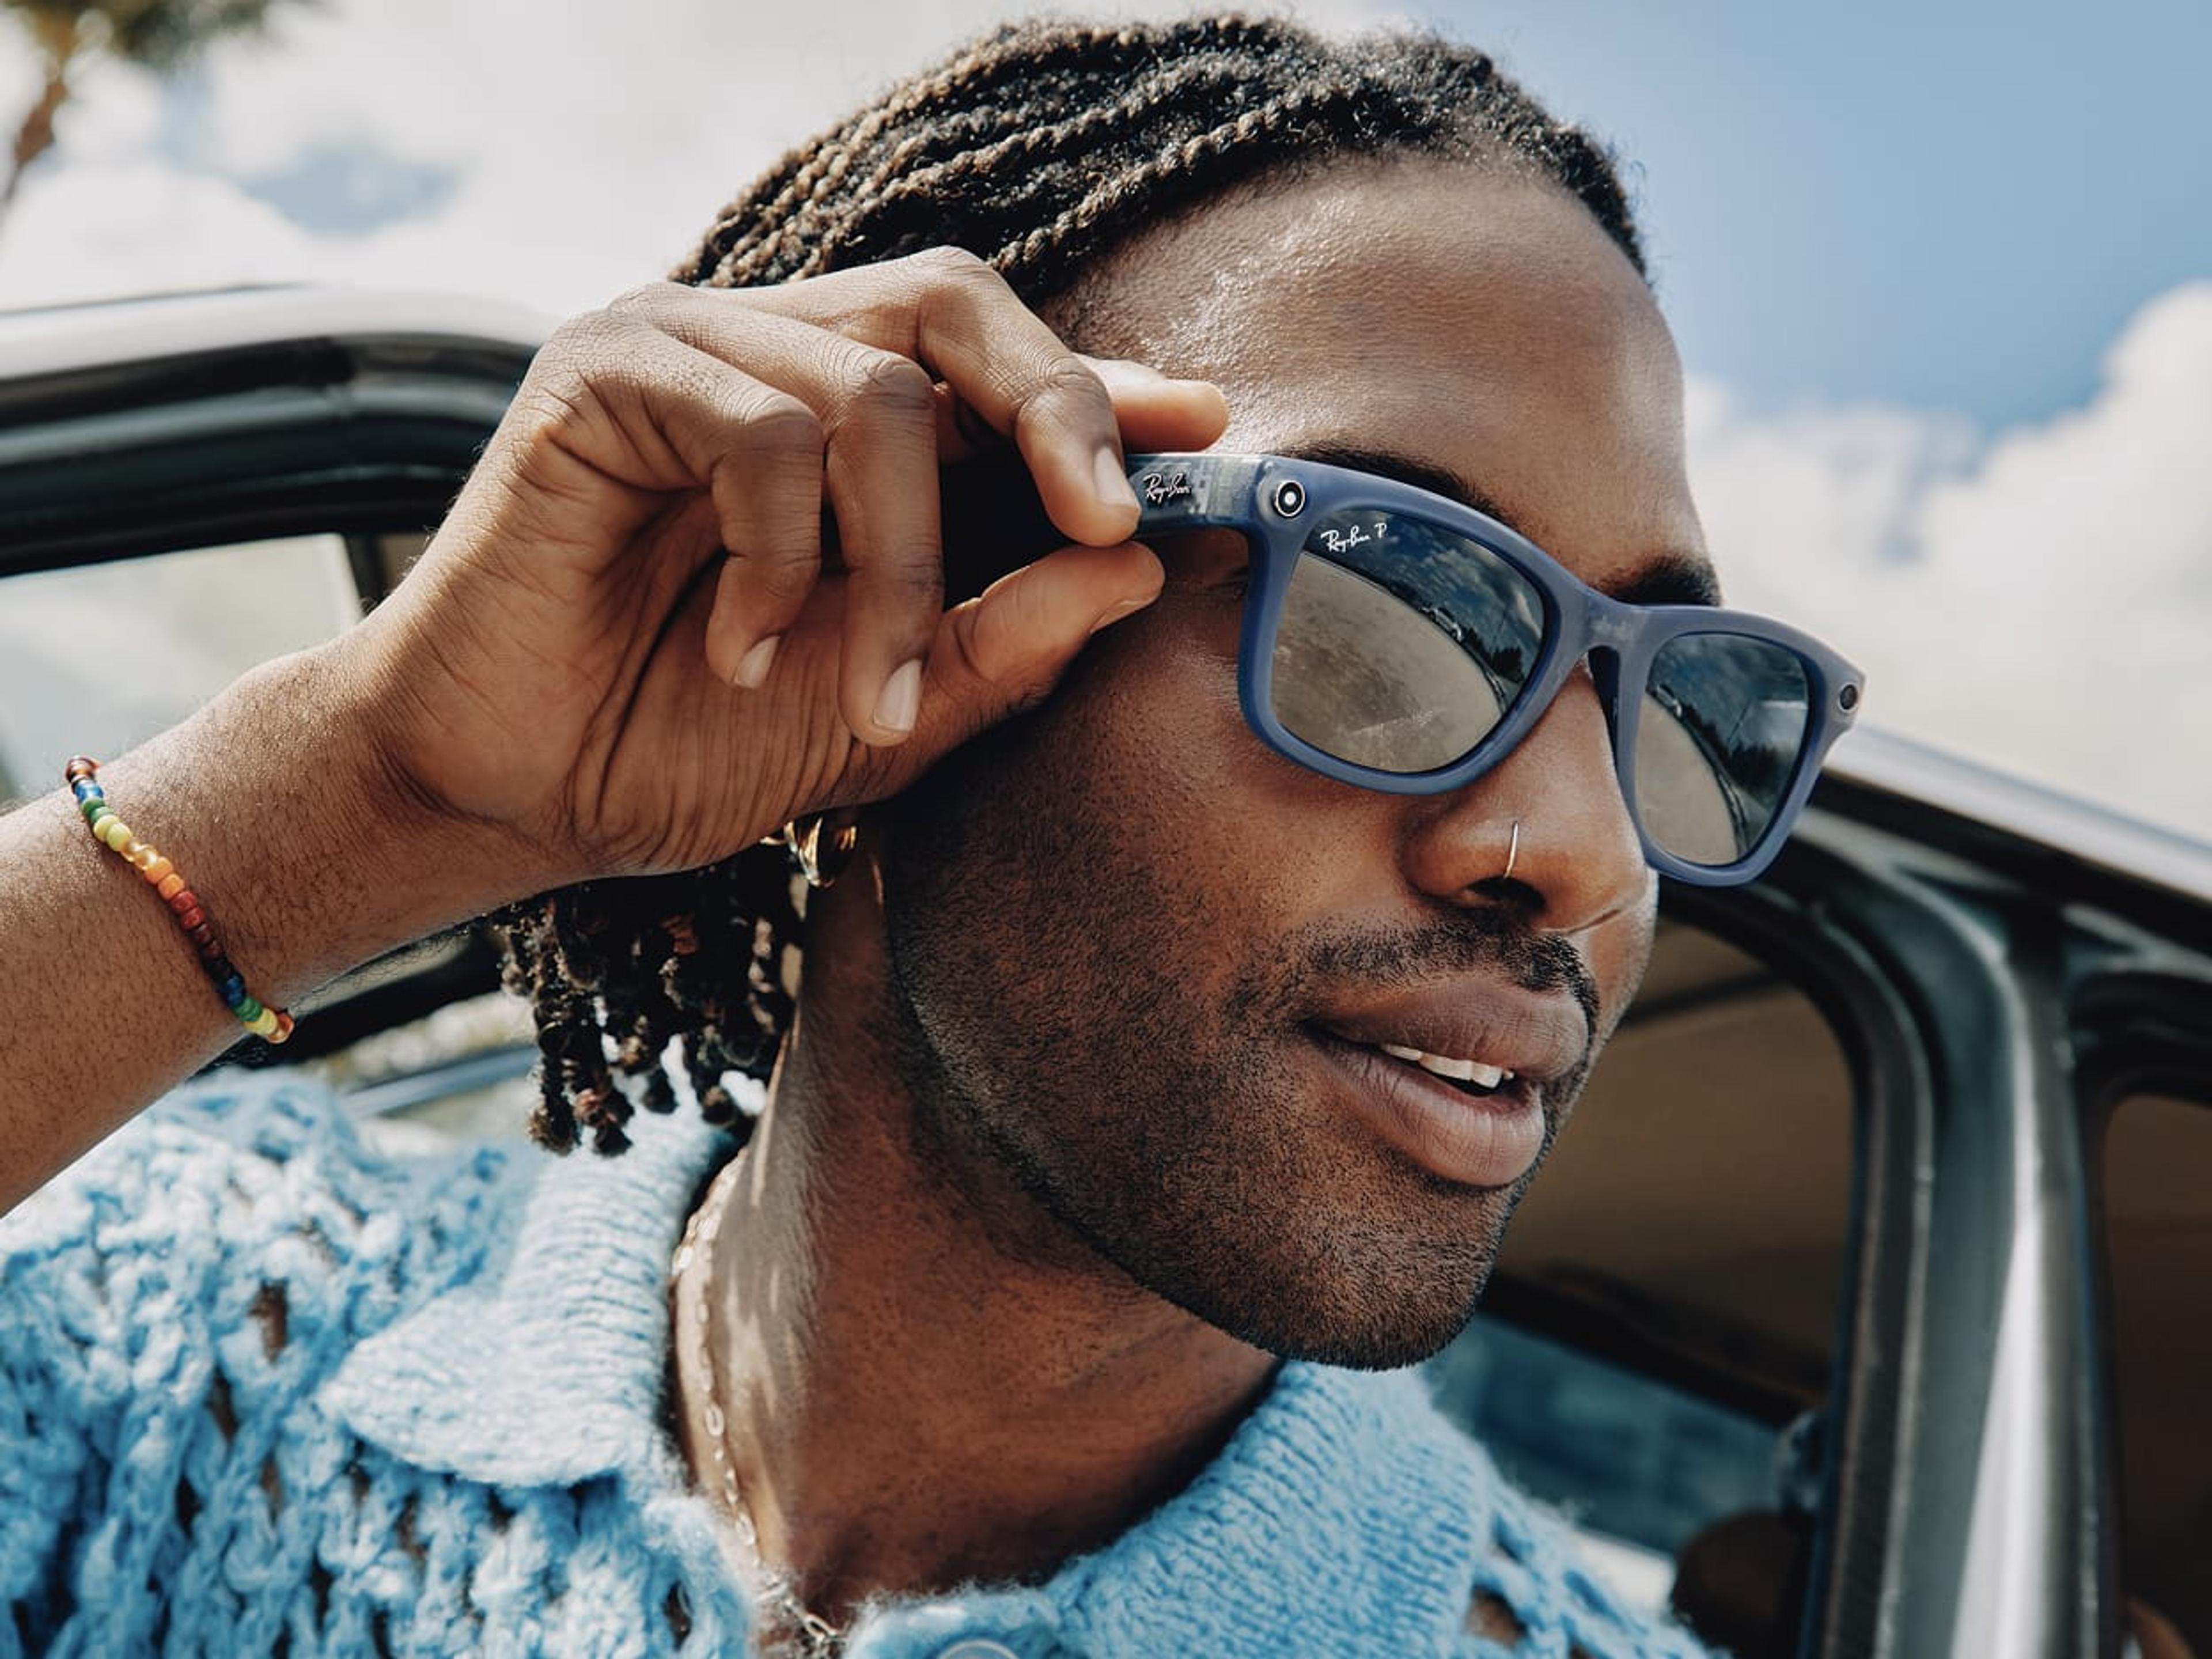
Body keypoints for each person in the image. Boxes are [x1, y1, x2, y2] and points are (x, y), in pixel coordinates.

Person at [0, 16, 1861, 1657]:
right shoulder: (185, 1335)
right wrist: (371, 789)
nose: (1582, 850)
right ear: (910, 592)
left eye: (1677, 697)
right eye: (1398, 604)